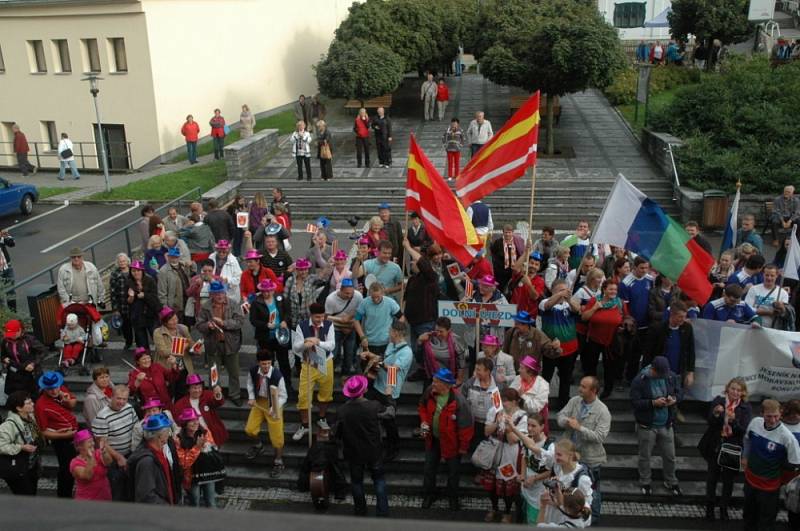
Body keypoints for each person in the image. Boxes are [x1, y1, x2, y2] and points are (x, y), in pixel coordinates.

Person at [419, 367, 474, 511]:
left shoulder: (459, 401)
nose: (433, 384)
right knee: (429, 469)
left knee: (453, 472)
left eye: (436, 382)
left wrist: (463, 447)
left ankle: (453, 497)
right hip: (433, 440)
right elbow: (422, 407)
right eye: (433, 380)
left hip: (452, 444)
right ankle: (429, 495)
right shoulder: (429, 392)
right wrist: (424, 421)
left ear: (446, 385)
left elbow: (466, 427)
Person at [557, 376, 610, 522]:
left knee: (592, 492)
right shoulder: (574, 401)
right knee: (570, 488)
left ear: (593, 390)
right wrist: (566, 421)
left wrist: (579, 428)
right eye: (580, 385)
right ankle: (570, 515)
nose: (579, 388)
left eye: (583, 387)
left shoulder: (603, 411)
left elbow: (600, 437)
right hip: (571, 456)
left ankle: (592, 519)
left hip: (590, 459)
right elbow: (560, 416)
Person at [698, 377, 751, 521]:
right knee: (712, 477)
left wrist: (733, 422)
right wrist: (716, 414)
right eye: (733, 388)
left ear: (742, 393)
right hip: (716, 444)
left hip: (732, 447)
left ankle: (723, 507)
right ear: (727, 388)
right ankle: (709, 506)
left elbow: (743, 431)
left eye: (738, 390)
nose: (735, 392)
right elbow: (710, 421)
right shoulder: (718, 401)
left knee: (728, 480)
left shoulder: (746, 408)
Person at [742, 399, 800, 531]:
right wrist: (745, 456)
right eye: (769, 416)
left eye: (776, 416)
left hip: (769, 487)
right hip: (750, 481)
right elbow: (746, 439)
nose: (773, 420)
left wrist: (780, 474)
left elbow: (795, 463)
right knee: (749, 516)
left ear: (780, 414)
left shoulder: (787, 437)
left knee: (766, 521)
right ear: (762, 413)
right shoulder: (755, 423)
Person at [336, 375, 389, 516]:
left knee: (356, 482)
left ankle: (360, 510)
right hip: (373, 451)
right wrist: (390, 398)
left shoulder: (342, 410)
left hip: (353, 452)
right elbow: (390, 413)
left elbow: (337, 433)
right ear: (364, 390)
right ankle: (382, 512)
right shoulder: (373, 406)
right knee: (379, 480)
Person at [630, 356, 683, 496]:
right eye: (660, 375)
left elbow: (680, 392)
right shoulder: (639, 381)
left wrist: (674, 399)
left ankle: (671, 481)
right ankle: (645, 482)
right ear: (653, 370)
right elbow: (635, 403)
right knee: (645, 456)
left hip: (666, 425)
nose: (664, 377)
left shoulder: (670, 376)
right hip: (647, 426)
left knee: (670, 456)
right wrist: (653, 403)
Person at [365, 320, 414, 461]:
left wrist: (389, 389)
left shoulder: (406, 352)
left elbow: (393, 370)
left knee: (389, 422)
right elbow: (385, 361)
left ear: (396, 333)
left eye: (390, 331)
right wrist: (371, 356)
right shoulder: (391, 345)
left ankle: (393, 447)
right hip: (378, 385)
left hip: (389, 390)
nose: (388, 333)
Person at [481, 388, 527, 523]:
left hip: (510, 454)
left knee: (508, 485)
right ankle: (494, 508)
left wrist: (507, 425)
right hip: (494, 452)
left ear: (514, 402)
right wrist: (497, 422)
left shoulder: (522, 416)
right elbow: (486, 432)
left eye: (505, 401)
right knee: (492, 485)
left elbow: (513, 439)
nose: (502, 403)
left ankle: (507, 512)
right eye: (502, 400)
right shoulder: (494, 411)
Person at [196, 280, 245, 406]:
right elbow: (199, 324)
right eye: (216, 293)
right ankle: (215, 395)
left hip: (231, 343)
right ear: (211, 294)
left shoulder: (233, 304)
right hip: (213, 343)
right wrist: (208, 325)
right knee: (214, 372)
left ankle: (235, 395)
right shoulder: (205, 306)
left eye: (221, 293)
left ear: (225, 292)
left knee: (234, 372)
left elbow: (240, 322)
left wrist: (224, 323)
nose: (219, 296)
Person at [291, 303, 335, 442]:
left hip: (326, 362)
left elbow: (332, 344)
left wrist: (317, 342)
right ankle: (305, 425)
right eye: (317, 317)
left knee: (326, 393)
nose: (320, 319)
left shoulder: (329, 325)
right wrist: (305, 343)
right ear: (311, 315)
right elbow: (295, 348)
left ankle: (322, 418)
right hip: (308, 363)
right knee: (303, 396)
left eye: (322, 316)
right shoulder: (302, 326)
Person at [34, 371, 78, 498]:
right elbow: (44, 432)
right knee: (66, 470)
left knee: (74, 465)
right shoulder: (40, 405)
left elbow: (73, 403)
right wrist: (65, 435)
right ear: (44, 388)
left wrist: (66, 401)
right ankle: (64, 497)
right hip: (62, 440)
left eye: (56, 387)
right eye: (50, 389)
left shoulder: (61, 389)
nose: (54, 391)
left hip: (73, 433)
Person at [243, 349, 287, 476]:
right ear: (258, 363)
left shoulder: (277, 375)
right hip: (259, 402)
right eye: (264, 364)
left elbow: (284, 396)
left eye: (268, 363)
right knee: (250, 429)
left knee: (277, 436)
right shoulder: (253, 371)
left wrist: (275, 407)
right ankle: (258, 446)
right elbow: (250, 384)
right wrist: (251, 397)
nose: (266, 366)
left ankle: (279, 461)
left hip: (274, 404)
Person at [539, 279, 580, 407]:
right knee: (546, 377)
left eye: (565, 290)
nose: (563, 293)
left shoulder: (570, 303)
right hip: (551, 349)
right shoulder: (545, 302)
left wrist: (568, 299)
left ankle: (563, 403)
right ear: (553, 291)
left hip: (570, 348)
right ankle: (542, 402)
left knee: (566, 378)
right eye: (559, 290)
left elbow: (577, 309)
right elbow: (548, 306)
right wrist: (560, 295)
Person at [128, 412, 181, 505]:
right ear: (160, 436)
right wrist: (166, 507)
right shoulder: (146, 462)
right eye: (168, 432)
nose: (169, 435)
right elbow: (146, 496)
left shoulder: (159, 452)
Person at [538, 439, 594, 526]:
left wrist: (557, 503)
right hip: (552, 513)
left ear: (570, 455)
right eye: (555, 454)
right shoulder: (558, 467)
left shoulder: (582, 479)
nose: (556, 457)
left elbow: (584, 505)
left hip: (566, 519)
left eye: (559, 455)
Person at [644, 300, 695, 392]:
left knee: (676, 397)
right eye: (680, 317)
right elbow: (648, 352)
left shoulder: (687, 328)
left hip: (678, 373)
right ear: (672, 314)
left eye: (685, 316)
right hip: (659, 373)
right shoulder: (657, 329)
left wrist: (690, 372)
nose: (683, 319)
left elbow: (691, 350)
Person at [174, 408, 220, 507]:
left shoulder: (205, 432)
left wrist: (207, 447)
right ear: (185, 424)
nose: (195, 423)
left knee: (211, 502)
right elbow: (184, 463)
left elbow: (213, 449)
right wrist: (197, 447)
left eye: (196, 419)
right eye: (191, 420)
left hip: (207, 472)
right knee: (195, 502)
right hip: (191, 476)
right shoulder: (178, 439)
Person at [0, 391, 40, 495]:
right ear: (19, 408)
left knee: (31, 494)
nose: (33, 404)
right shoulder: (8, 426)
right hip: (18, 469)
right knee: (25, 497)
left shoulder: (30, 417)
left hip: (31, 466)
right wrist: (21, 447)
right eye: (29, 403)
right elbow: (1, 446)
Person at [325, 278, 363, 376]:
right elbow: (326, 318)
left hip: (351, 327)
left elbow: (361, 312)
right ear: (340, 290)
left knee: (349, 354)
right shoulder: (331, 299)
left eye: (351, 293)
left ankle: (345, 375)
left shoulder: (358, 296)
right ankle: (330, 375)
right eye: (347, 293)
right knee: (333, 353)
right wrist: (341, 324)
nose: (350, 296)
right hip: (335, 328)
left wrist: (349, 321)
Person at [354, 282, 403, 356]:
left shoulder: (390, 303)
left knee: (389, 366)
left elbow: (401, 318)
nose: (376, 300)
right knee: (370, 366)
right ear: (370, 294)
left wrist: (395, 333)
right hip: (369, 342)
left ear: (382, 293)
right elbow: (356, 320)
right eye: (373, 297)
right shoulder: (364, 303)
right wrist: (362, 336)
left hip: (387, 342)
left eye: (378, 297)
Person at [418, 317, 468, 387]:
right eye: (436, 330)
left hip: (448, 377)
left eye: (441, 331)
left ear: (449, 330)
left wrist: (459, 379)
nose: (438, 334)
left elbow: (461, 362)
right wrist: (420, 341)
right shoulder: (429, 337)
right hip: (432, 375)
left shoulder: (456, 341)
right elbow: (419, 356)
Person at [1, 320, 45, 398]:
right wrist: (4, 359)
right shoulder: (5, 341)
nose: (11, 336)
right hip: (15, 372)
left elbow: (43, 352)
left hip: (30, 371)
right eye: (10, 334)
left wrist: (33, 364)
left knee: (35, 395)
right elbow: (2, 354)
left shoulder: (29, 339)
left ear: (20, 330)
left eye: (14, 333)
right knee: (18, 396)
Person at [153, 306, 194, 381]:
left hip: (183, 366)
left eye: (176, 318)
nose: (175, 322)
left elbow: (190, 343)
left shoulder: (183, 328)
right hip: (168, 368)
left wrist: (195, 348)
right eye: (171, 320)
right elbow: (163, 352)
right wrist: (181, 346)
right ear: (165, 322)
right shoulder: (158, 332)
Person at [70, 429, 113, 501]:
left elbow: (109, 462)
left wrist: (104, 452)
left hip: (105, 498)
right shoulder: (75, 463)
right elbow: (87, 476)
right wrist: (90, 459)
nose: (92, 443)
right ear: (80, 447)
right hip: (87, 501)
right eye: (89, 442)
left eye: (92, 441)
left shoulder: (98, 453)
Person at [744, 264, 790, 329]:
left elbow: (784, 314)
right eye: (767, 275)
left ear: (777, 276)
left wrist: (781, 307)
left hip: (772, 329)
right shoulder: (754, 289)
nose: (769, 278)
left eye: (772, 276)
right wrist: (769, 312)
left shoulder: (783, 293)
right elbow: (747, 309)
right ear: (763, 274)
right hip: (753, 327)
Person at [127, 260, 160, 348]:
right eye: (133, 271)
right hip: (137, 316)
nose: (136, 273)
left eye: (138, 270)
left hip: (151, 315)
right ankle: (146, 359)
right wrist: (131, 297)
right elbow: (127, 302)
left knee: (157, 339)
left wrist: (144, 295)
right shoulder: (129, 282)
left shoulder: (150, 280)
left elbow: (155, 298)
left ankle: (160, 359)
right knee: (142, 343)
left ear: (142, 271)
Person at [510, 356, 551, 426]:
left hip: (534, 420)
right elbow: (509, 396)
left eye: (521, 368)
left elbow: (536, 408)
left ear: (530, 372)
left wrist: (522, 396)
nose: (518, 370)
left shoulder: (543, 385)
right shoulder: (517, 379)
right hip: (516, 416)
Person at [157, 248, 192, 322]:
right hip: (174, 306)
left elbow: (192, 274)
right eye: (172, 257)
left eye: (176, 257)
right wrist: (166, 308)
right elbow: (162, 293)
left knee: (187, 327)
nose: (174, 259)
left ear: (179, 257)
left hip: (187, 302)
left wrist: (191, 264)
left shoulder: (183, 266)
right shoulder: (163, 271)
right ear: (168, 257)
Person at [508, 251, 546, 318]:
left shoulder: (540, 281)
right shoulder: (520, 275)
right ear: (527, 263)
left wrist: (528, 284)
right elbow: (516, 268)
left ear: (539, 268)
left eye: (536, 264)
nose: (533, 266)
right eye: (531, 263)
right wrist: (526, 251)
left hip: (529, 315)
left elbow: (535, 297)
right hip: (513, 312)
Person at [490, 224, 526, 292]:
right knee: (501, 288)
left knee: (513, 288)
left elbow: (521, 252)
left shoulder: (518, 241)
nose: (507, 234)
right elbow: (493, 253)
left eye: (509, 232)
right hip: (501, 272)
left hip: (514, 271)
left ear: (512, 233)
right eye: (506, 232)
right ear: (503, 233)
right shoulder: (497, 242)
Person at [209, 239, 241, 304]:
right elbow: (205, 270)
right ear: (216, 250)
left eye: (224, 252)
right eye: (219, 251)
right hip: (213, 289)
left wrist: (228, 280)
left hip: (229, 294)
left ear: (228, 251)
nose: (221, 254)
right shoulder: (211, 257)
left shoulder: (233, 260)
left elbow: (239, 278)